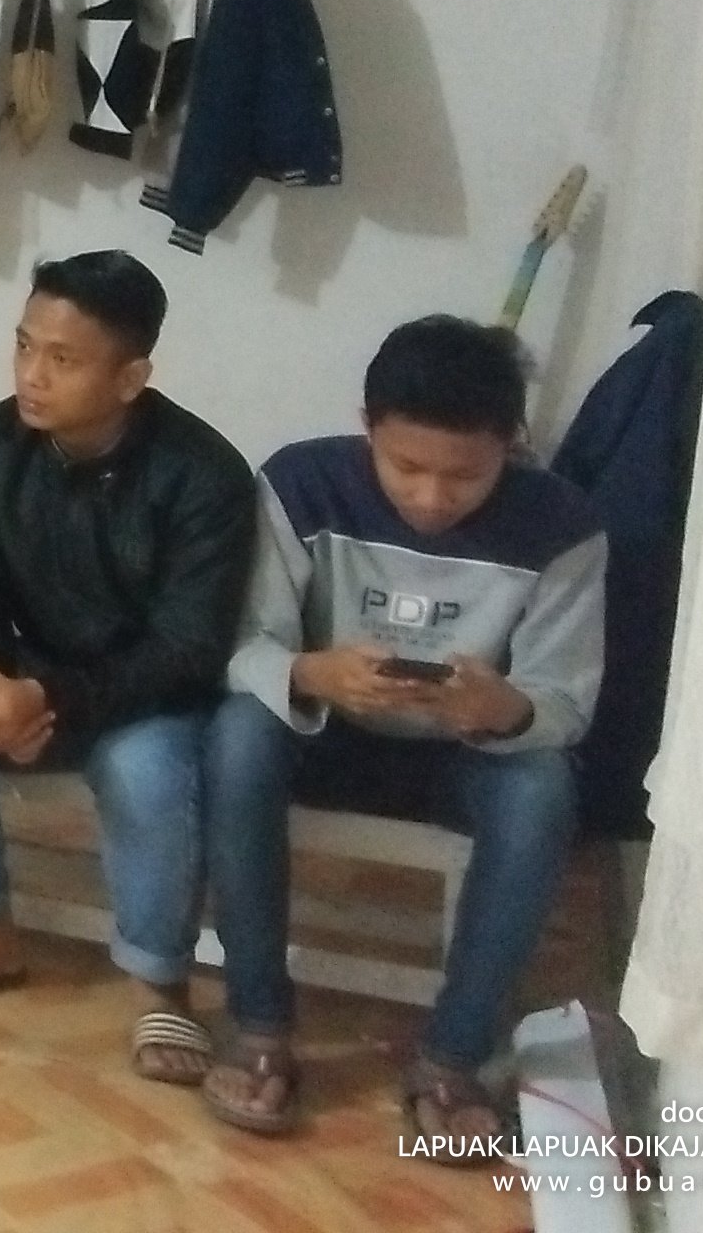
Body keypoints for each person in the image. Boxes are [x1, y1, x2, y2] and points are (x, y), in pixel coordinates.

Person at [201, 317, 602, 1149]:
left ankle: (453, 1058)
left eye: (465, 475)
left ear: (511, 444)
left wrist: (503, 708)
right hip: (326, 733)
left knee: (543, 789)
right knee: (239, 737)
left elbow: (564, 704)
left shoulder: (561, 525)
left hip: (462, 755)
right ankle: (260, 1026)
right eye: (406, 467)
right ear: (367, 428)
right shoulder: (302, 484)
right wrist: (315, 673)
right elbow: (241, 646)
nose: (430, 497)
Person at [0, 251, 256, 1085]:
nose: (31, 376)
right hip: (24, 671)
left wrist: (47, 700)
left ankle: (160, 982)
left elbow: (190, 646)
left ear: (131, 377)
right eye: (23, 346)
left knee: (145, 767)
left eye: (63, 359)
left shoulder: (204, 474)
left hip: (148, 691)